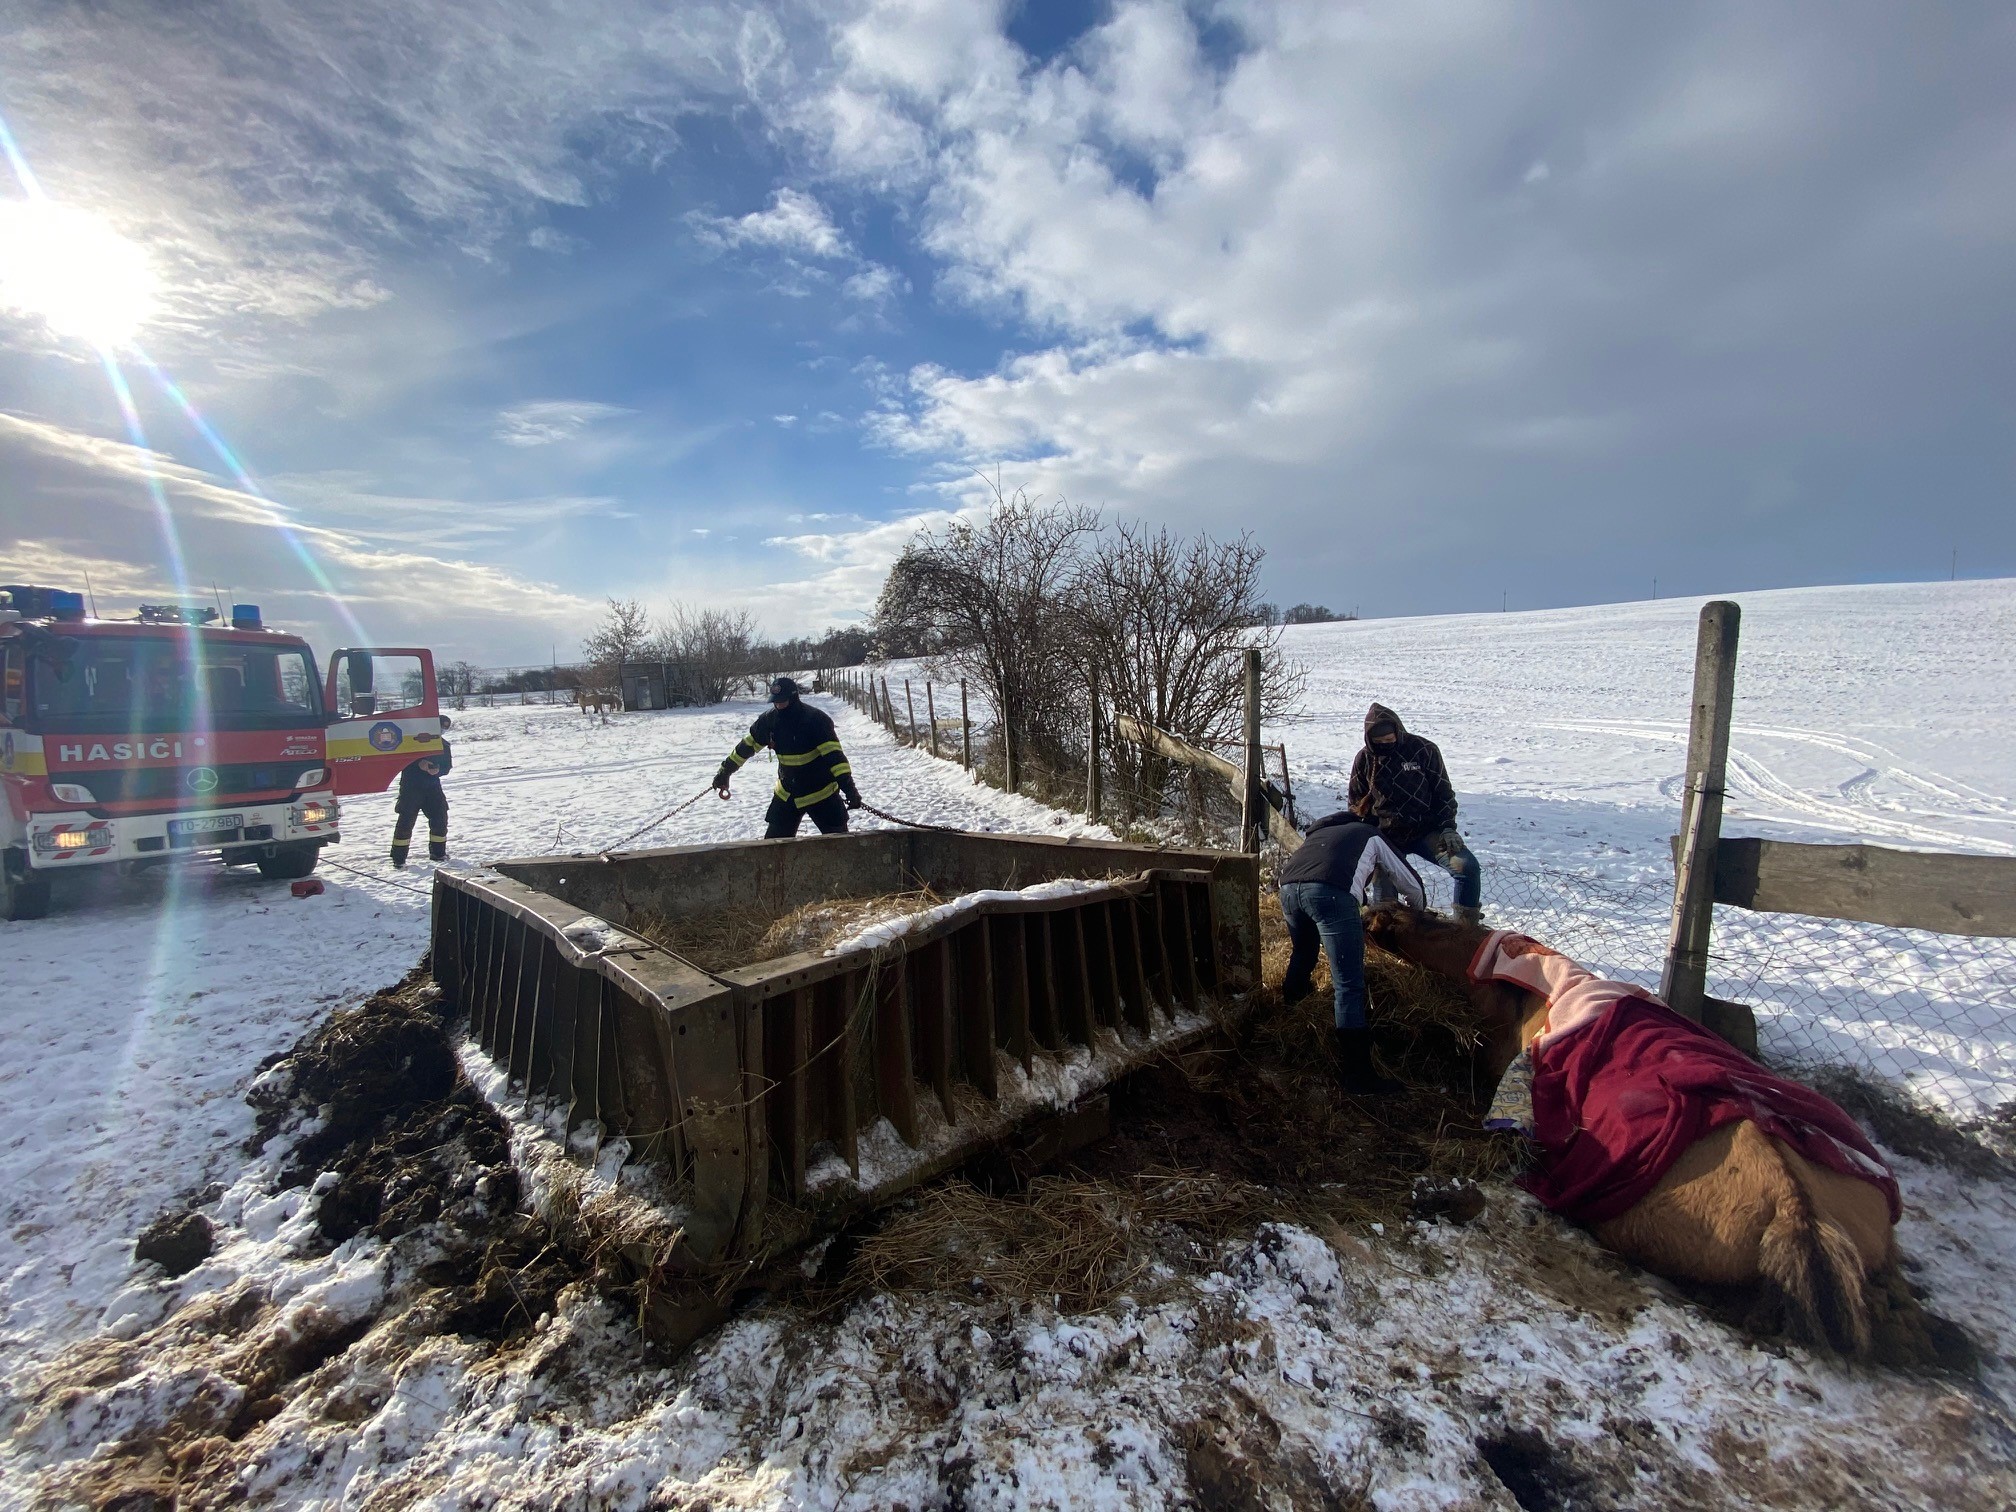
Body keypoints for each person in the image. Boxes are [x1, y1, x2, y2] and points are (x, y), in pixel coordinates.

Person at [1278, 811, 1426, 1095]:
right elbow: (1411, 884)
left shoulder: (1320, 833)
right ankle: (1358, 1075)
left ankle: (1292, 1031)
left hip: (1288, 890)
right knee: (1348, 983)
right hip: (1331, 893)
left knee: (1303, 955)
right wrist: (1418, 922)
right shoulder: (1369, 834)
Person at [1348, 702, 1482, 924]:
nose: (1385, 745)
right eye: (1379, 743)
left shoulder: (1424, 750)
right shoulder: (1364, 760)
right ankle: (1391, 944)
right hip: (1386, 838)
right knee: (1385, 903)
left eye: (1389, 740)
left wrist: (1448, 827)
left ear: (1398, 732)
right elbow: (1355, 803)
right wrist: (1366, 839)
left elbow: (1444, 793)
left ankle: (1465, 928)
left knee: (1466, 867)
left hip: (1426, 830)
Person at [714, 677, 862, 838]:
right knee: (773, 848)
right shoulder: (768, 721)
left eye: (782, 701)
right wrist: (725, 772)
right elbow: (745, 747)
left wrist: (850, 789)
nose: (778, 705)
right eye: (775, 702)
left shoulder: (816, 720)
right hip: (787, 794)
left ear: (793, 698)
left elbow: (836, 759)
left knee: (840, 847)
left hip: (822, 793)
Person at [390, 715, 453, 866]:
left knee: (440, 818)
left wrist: (438, 771)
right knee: (406, 822)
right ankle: (398, 858)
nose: (442, 731)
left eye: (445, 728)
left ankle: (438, 853)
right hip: (411, 787)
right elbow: (401, 761)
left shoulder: (443, 745)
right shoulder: (413, 741)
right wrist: (419, 764)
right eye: (440, 727)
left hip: (432, 788)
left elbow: (447, 766)